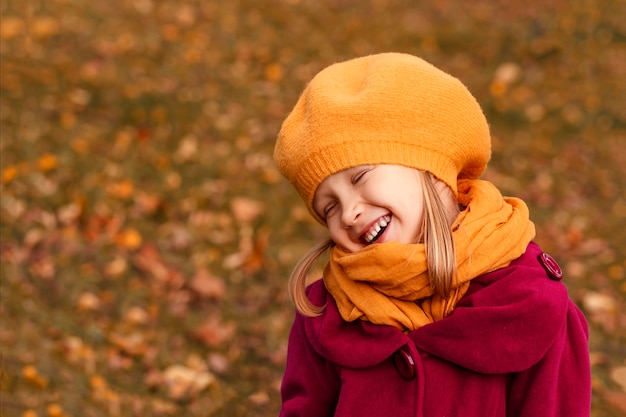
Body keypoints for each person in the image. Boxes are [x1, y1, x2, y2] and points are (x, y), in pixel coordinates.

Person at [273, 52, 591, 417]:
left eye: (360, 176)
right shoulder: (327, 313)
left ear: (432, 167)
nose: (348, 213)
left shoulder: (528, 302)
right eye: (328, 207)